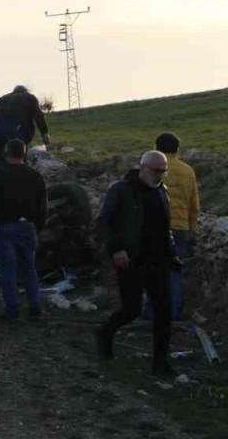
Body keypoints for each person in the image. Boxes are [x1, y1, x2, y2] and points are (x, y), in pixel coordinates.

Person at [94, 150, 180, 378]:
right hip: (131, 261)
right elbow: (103, 223)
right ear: (142, 168)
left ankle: (160, 363)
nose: (160, 175)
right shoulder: (121, 190)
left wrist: (172, 254)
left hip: (158, 262)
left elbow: (165, 228)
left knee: (164, 312)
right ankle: (105, 332)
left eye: (164, 171)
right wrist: (116, 249)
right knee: (131, 310)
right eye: (156, 171)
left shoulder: (163, 192)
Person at [0, 139, 47, 321]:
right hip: (28, 227)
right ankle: (35, 307)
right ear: (24, 153)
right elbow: (43, 206)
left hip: (5, 227)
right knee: (29, 268)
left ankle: (12, 310)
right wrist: (38, 226)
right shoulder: (35, 176)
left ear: (6, 153)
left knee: (8, 270)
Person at [153, 132, 200, 320]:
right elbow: (194, 204)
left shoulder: (153, 167)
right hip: (180, 227)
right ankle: (173, 313)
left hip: (155, 226)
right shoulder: (188, 171)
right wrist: (192, 229)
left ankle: (152, 312)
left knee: (153, 269)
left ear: (156, 148)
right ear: (177, 149)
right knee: (175, 271)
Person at [0, 85, 51, 188]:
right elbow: (38, 116)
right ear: (25, 91)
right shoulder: (29, 98)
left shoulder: (1, 100)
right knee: (17, 164)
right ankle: (20, 190)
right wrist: (45, 133)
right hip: (16, 135)